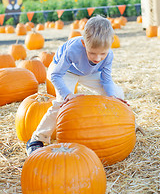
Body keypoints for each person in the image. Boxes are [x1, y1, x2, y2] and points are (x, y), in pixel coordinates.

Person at [26, 15, 129, 156]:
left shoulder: (108, 55)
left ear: (111, 44)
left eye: (102, 54)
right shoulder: (73, 49)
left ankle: (122, 128)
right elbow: (55, 75)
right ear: (83, 43)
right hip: (64, 71)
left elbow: (106, 80)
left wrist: (112, 97)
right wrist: (67, 94)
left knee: (116, 95)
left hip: (88, 72)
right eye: (92, 53)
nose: (97, 58)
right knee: (61, 104)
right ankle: (37, 139)